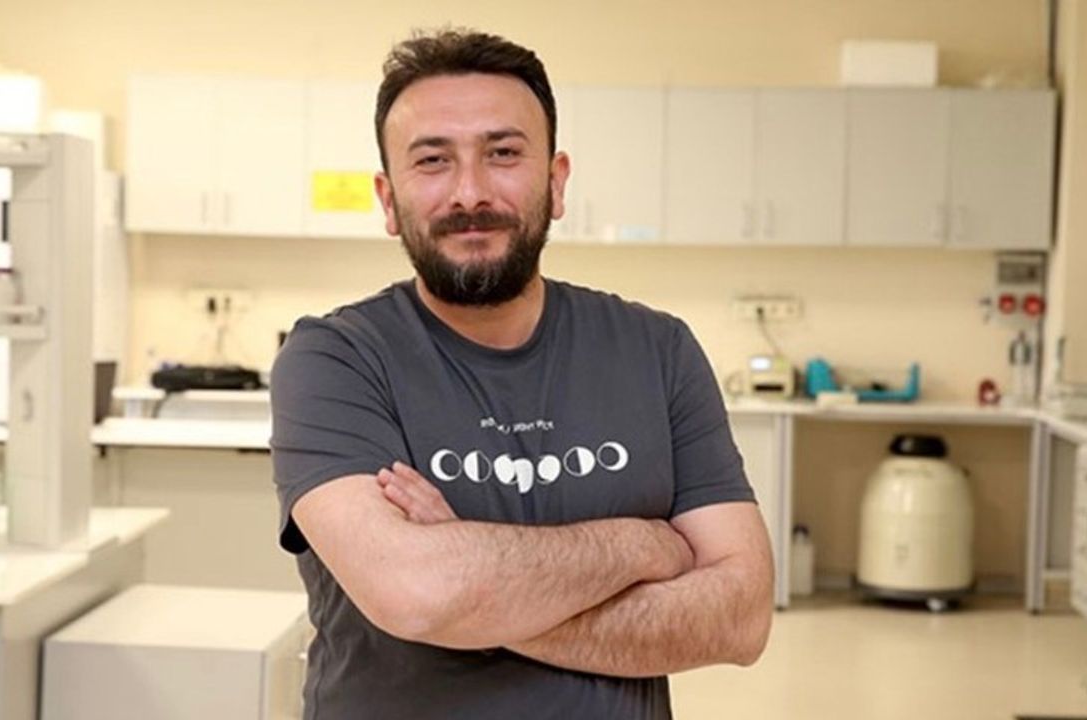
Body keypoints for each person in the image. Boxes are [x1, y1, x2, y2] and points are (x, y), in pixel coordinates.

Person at [269, 28, 774, 720]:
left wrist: (470, 582)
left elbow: (741, 618)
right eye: (433, 160)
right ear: (388, 200)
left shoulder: (658, 350)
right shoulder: (336, 359)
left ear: (556, 182)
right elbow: (416, 596)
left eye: (503, 153)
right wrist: (640, 544)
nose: (470, 192)